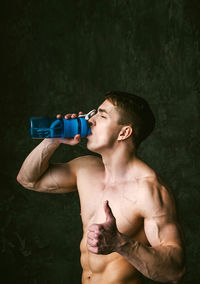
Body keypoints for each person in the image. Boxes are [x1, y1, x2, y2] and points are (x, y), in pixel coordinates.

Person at [17, 91, 185, 284]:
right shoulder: (86, 168)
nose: (90, 120)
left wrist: (119, 243)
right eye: (94, 113)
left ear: (124, 132)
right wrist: (53, 140)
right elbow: (28, 179)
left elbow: (175, 271)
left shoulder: (149, 190)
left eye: (102, 116)